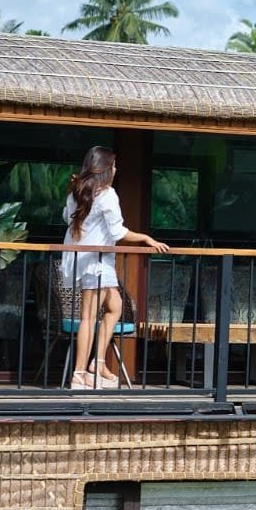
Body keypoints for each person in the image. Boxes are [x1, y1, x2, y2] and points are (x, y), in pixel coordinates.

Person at [61, 147, 168, 389]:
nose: (117, 169)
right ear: (105, 168)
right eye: (114, 165)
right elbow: (117, 232)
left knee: (115, 306)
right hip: (95, 263)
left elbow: (67, 220)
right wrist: (145, 238)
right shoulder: (107, 194)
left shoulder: (76, 193)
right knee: (88, 316)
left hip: (88, 260)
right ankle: (79, 373)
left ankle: (97, 363)